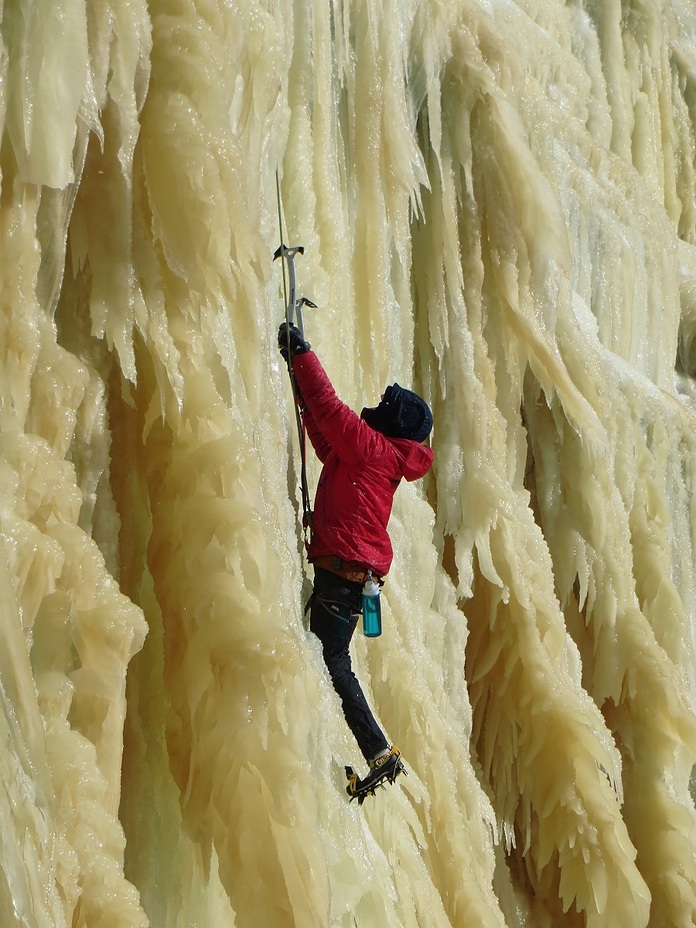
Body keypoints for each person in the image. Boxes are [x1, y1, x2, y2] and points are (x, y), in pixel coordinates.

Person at [278, 321, 434, 799]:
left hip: (343, 578)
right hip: (349, 578)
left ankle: (378, 752)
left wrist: (301, 356)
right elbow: (327, 442)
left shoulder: (372, 449)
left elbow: (332, 410)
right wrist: (300, 396)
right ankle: (371, 751)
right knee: (329, 657)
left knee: (330, 660)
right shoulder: (374, 456)